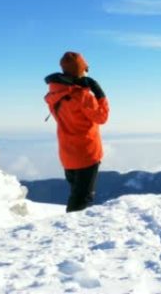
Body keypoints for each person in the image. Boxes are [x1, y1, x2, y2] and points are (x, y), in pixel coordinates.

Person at [44, 52, 109, 212]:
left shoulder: (54, 95)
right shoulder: (82, 96)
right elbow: (102, 117)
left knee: (76, 195)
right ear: (80, 71)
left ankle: (70, 230)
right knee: (81, 202)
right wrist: (100, 94)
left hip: (68, 155)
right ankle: (69, 233)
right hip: (87, 154)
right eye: (85, 69)